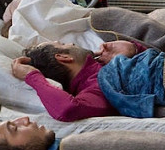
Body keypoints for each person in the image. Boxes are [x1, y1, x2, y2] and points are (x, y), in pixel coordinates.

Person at [10, 41, 144, 121]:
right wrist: (32, 76)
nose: (72, 43)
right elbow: (67, 109)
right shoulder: (96, 88)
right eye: (62, 44)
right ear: (64, 57)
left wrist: (134, 49)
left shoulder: (104, 66)